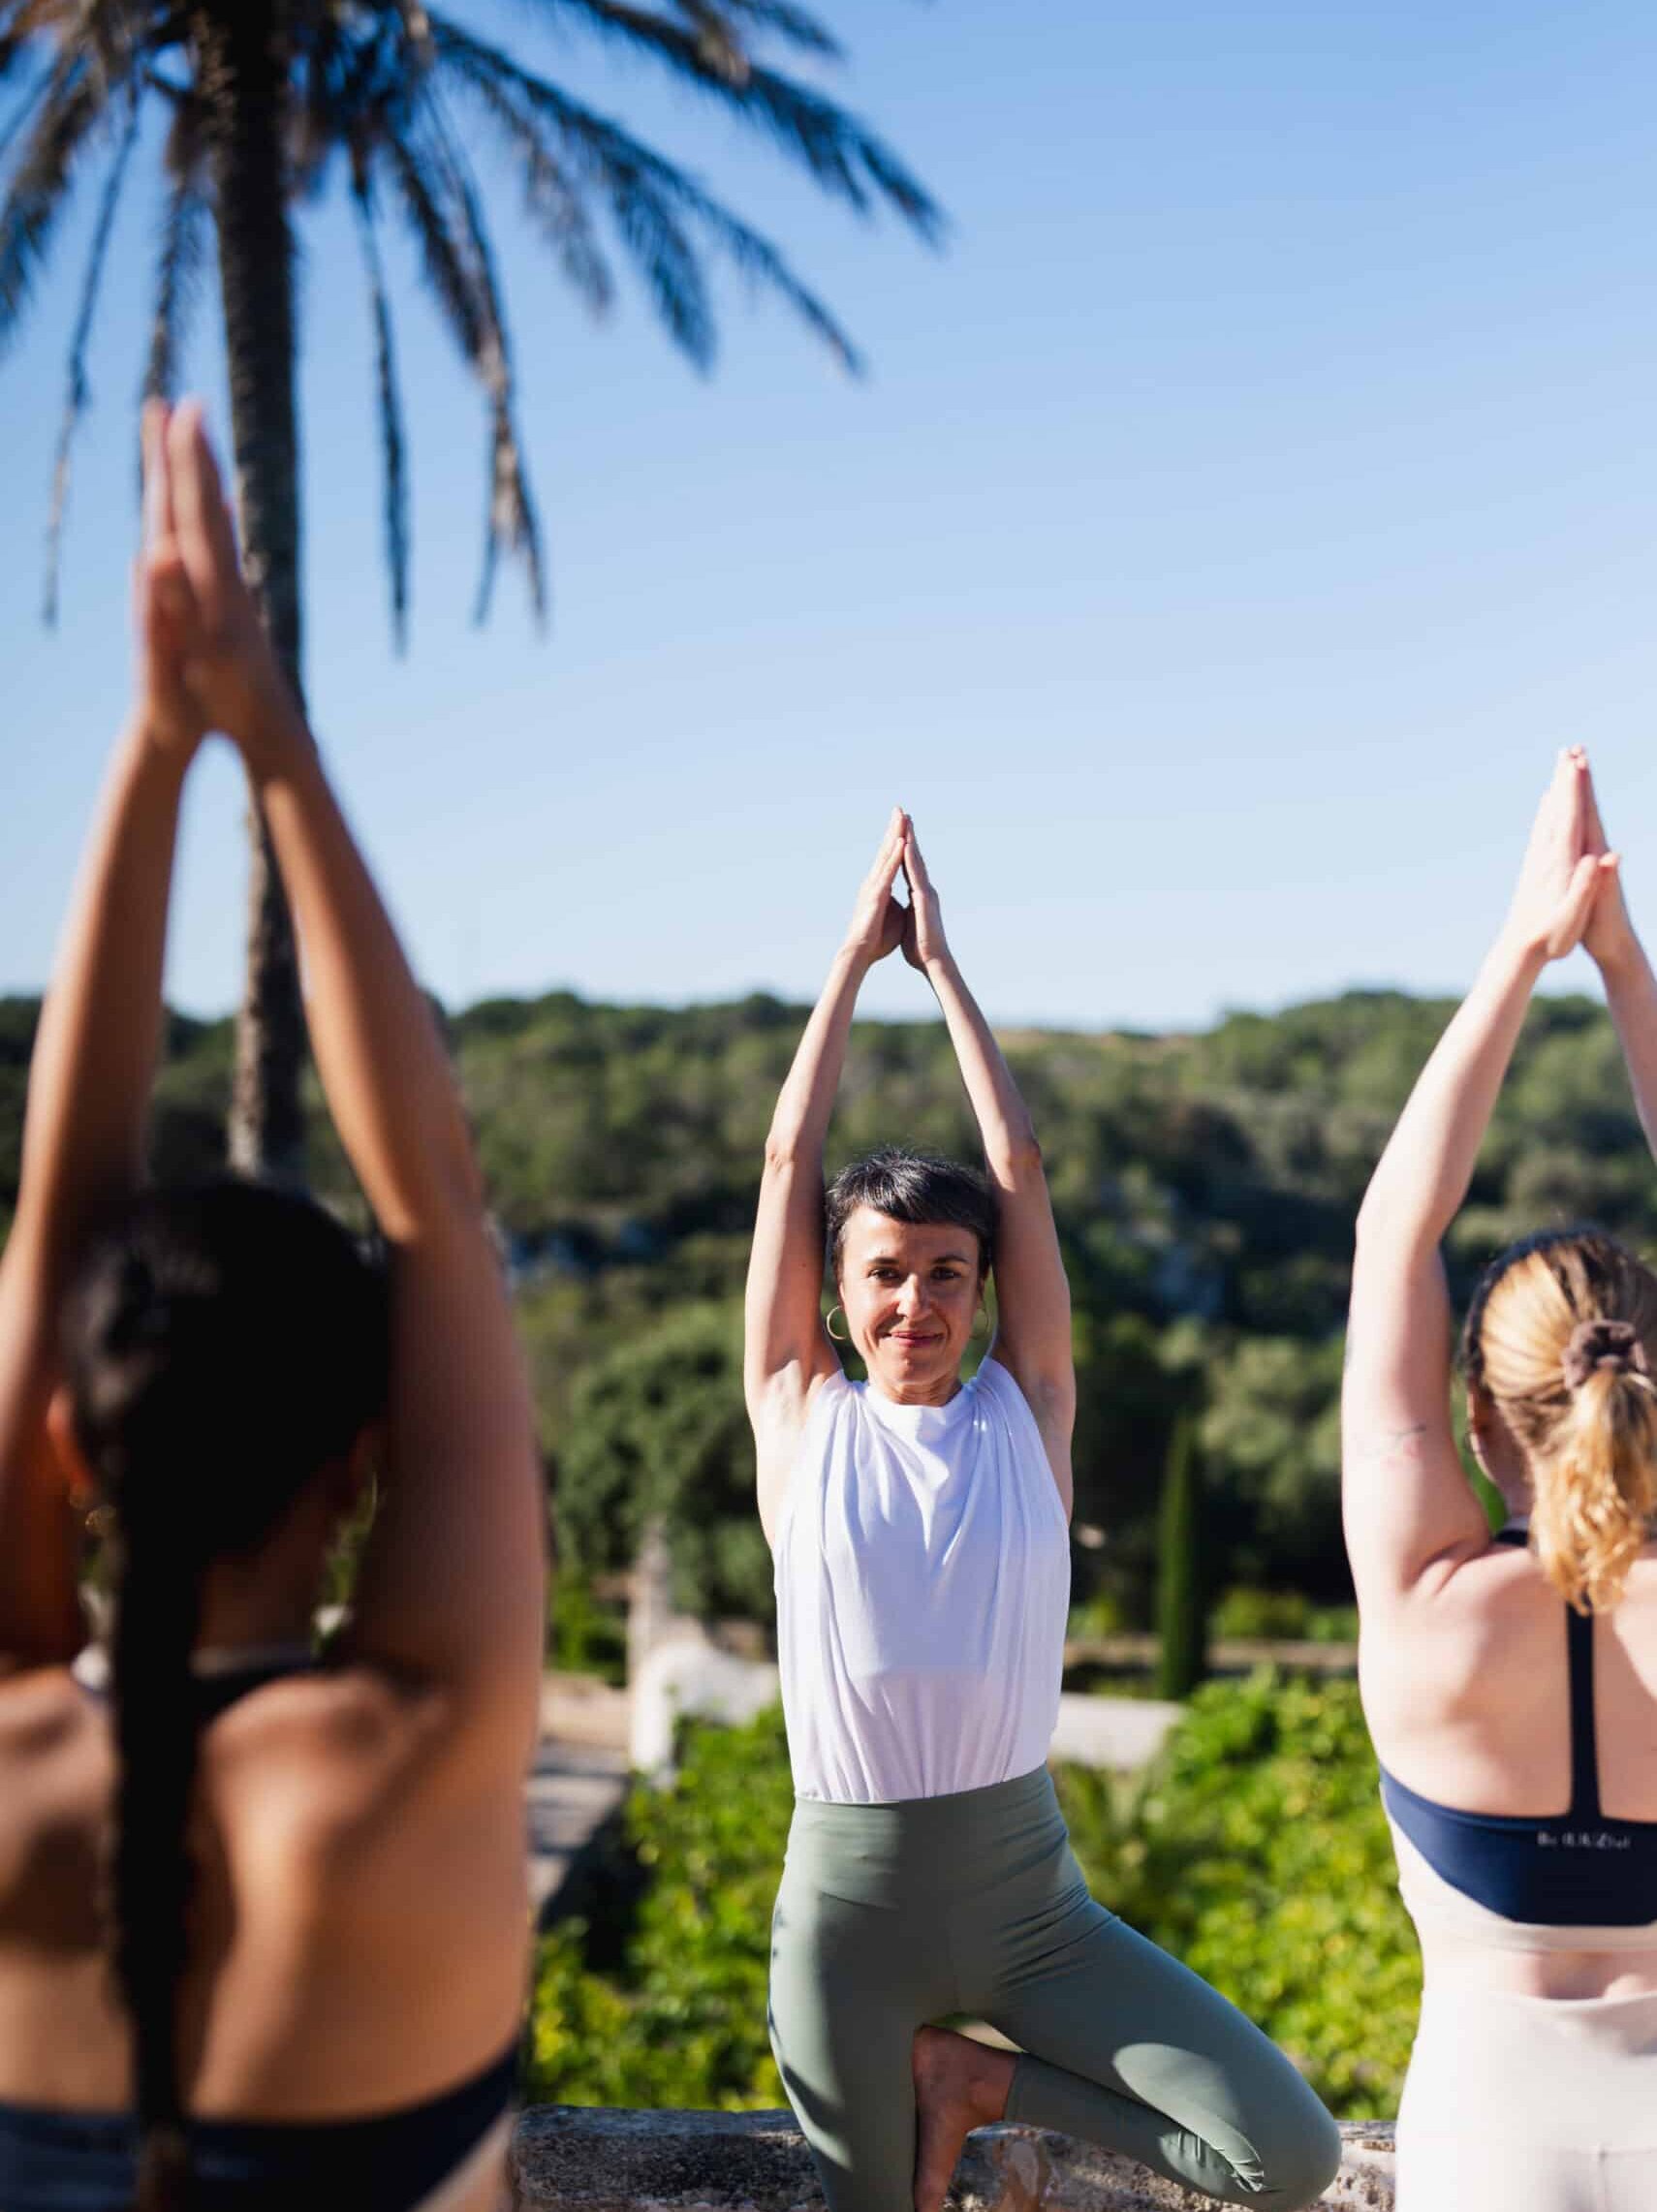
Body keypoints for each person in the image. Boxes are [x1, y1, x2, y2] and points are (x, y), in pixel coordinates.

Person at [0, 402, 546, 2212]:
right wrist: (266, 743)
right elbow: (440, 1223)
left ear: (74, 1440)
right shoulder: (409, 1762)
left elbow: (52, 1217)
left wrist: (150, 751)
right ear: (363, 1459)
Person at [744, 812, 1342, 2212]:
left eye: (947, 1272)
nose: (916, 1300)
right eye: (885, 1272)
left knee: (1288, 2158)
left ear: (981, 1290)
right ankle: (940, 2080)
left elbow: (1019, 1166)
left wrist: (946, 973)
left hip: (1031, 1909)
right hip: (844, 1918)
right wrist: (848, 962)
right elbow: (785, 1168)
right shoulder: (798, 1412)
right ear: (838, 1293)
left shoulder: (1030, 1410)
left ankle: (975, 2081)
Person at [1345, 748, 1657, 2210]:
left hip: (1485, 2142)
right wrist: (1625, 966)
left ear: (1478, 1416)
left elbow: (1391, 1241)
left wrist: (1526, 950)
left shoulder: (1424, 1609)